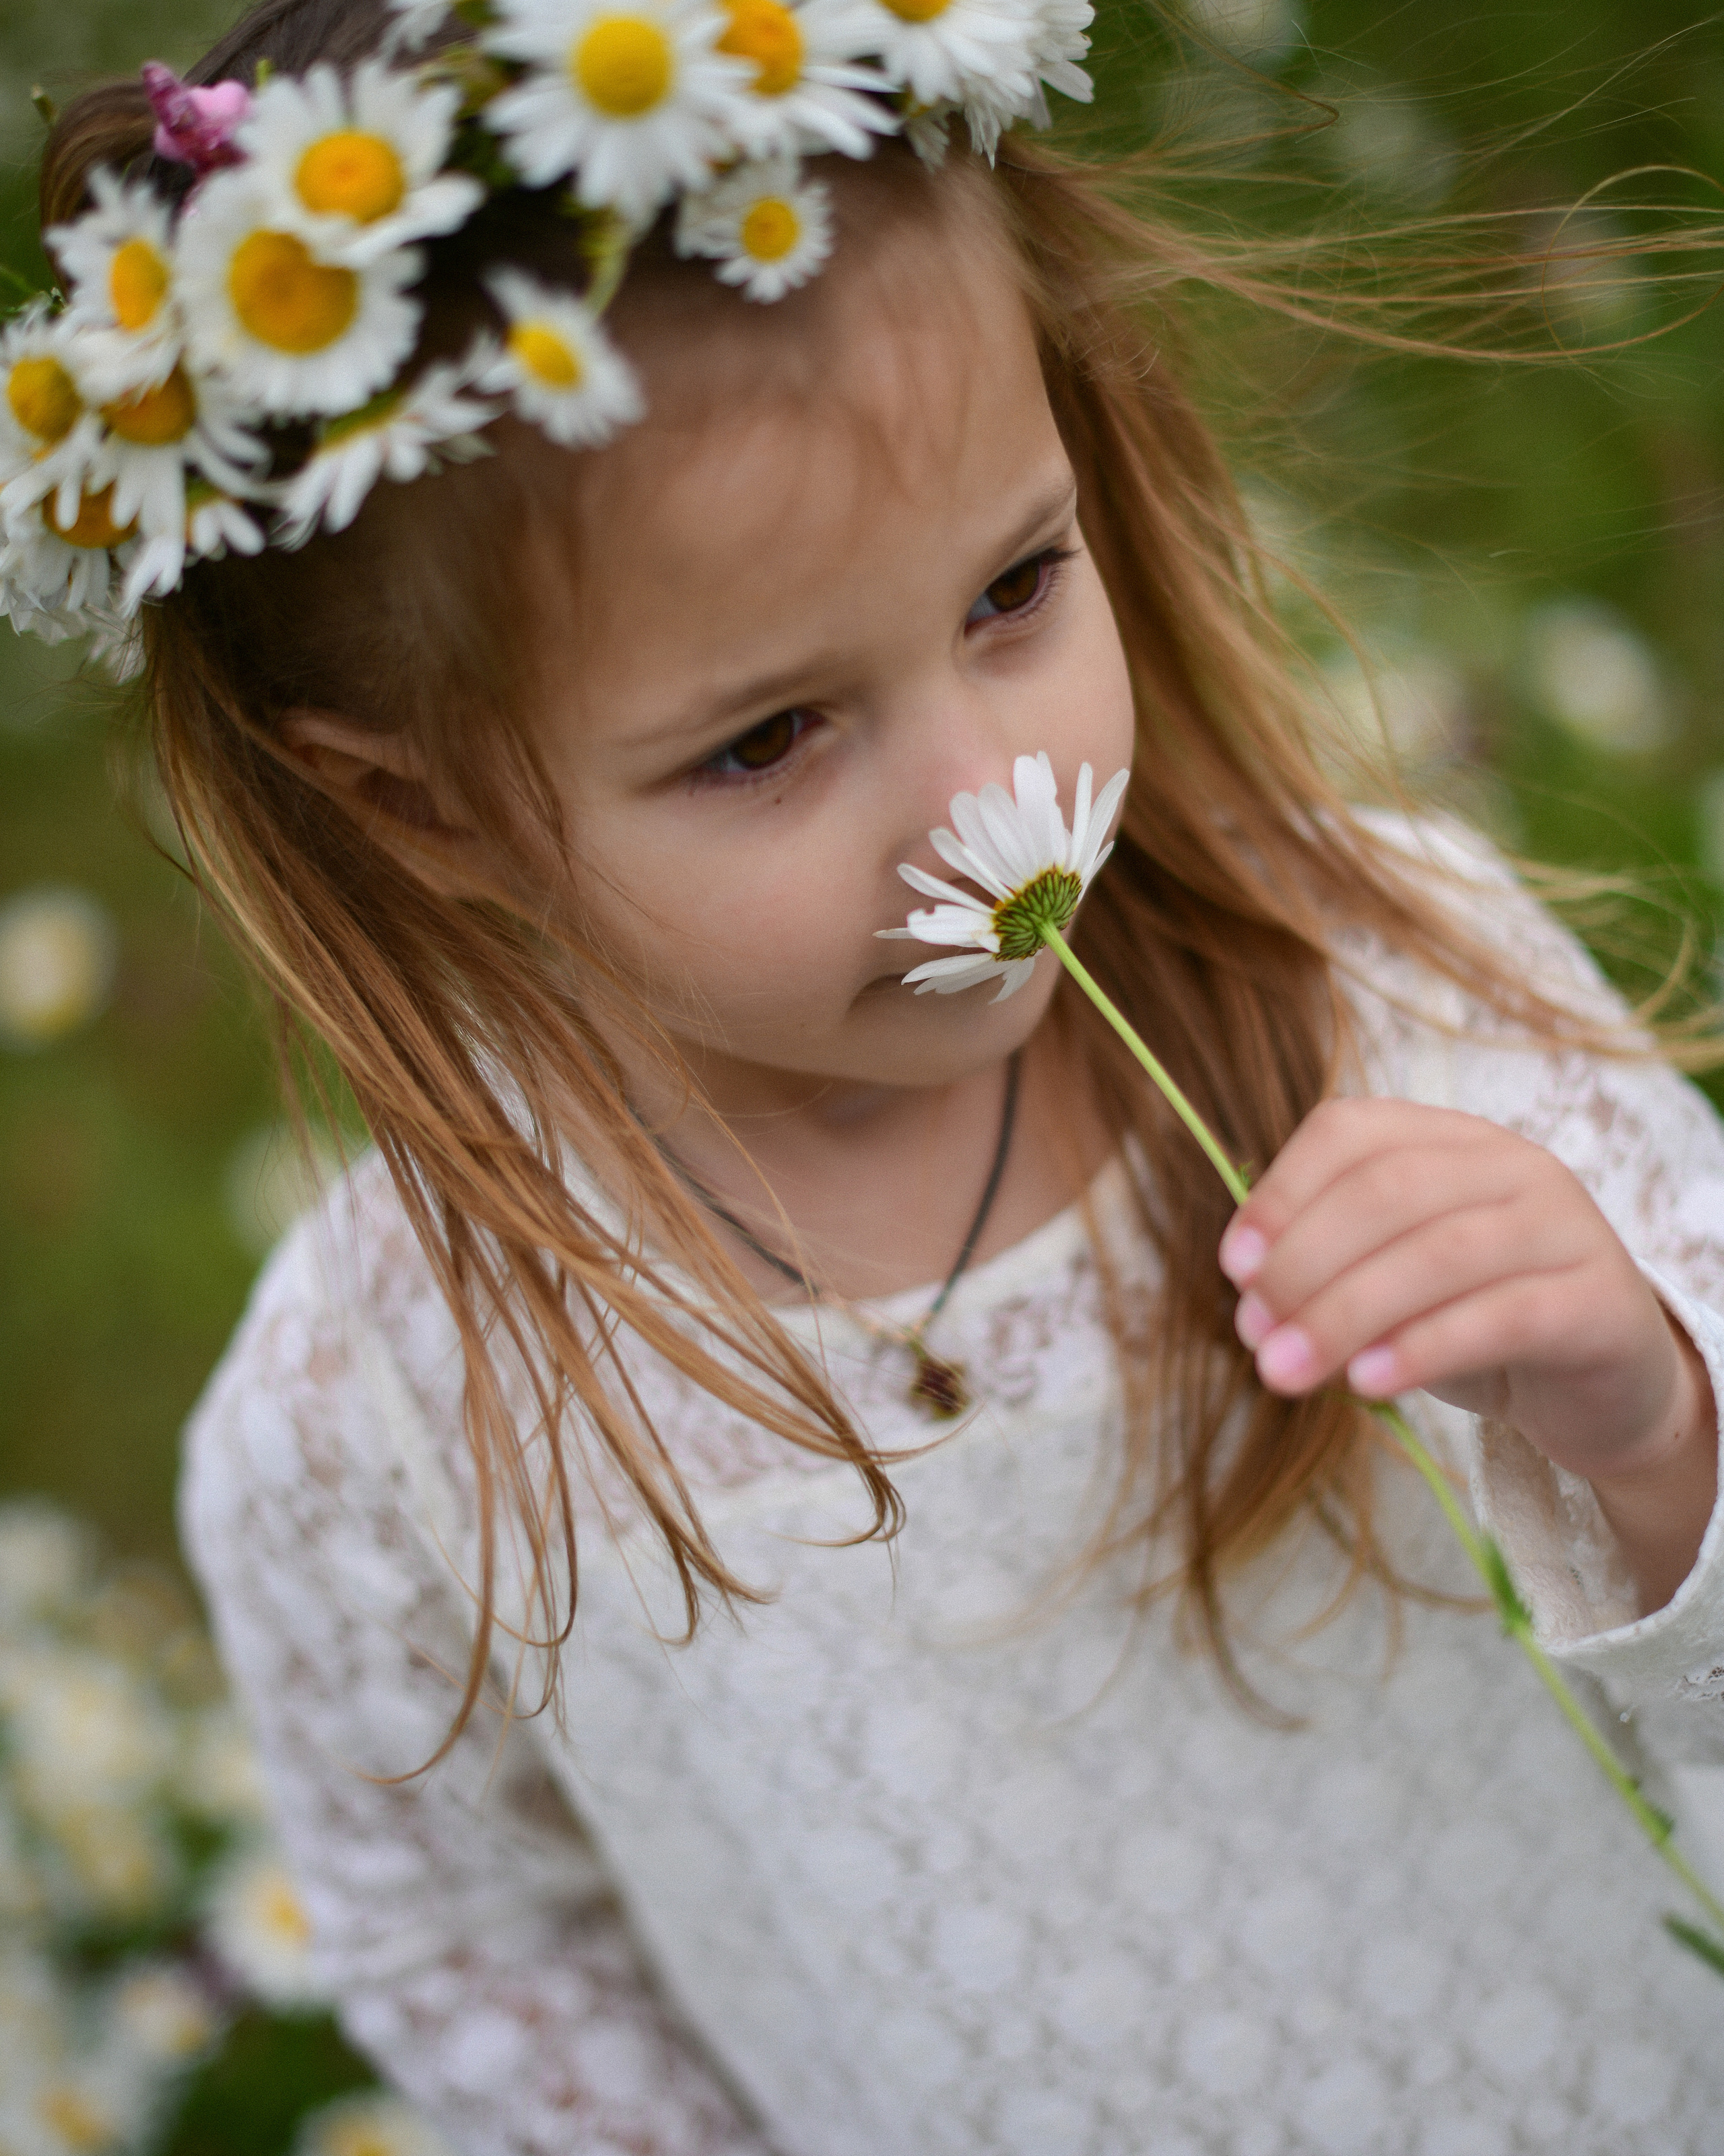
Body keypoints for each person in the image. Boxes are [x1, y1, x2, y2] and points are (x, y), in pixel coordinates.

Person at [13, 0, 1724, 2145]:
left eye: (1015, 589)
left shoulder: (1381, 995)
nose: (988, 802)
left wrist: (1655, 1423)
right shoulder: (382, 1411)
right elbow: (470, 1951)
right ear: (422, 806)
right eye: (766, 740)